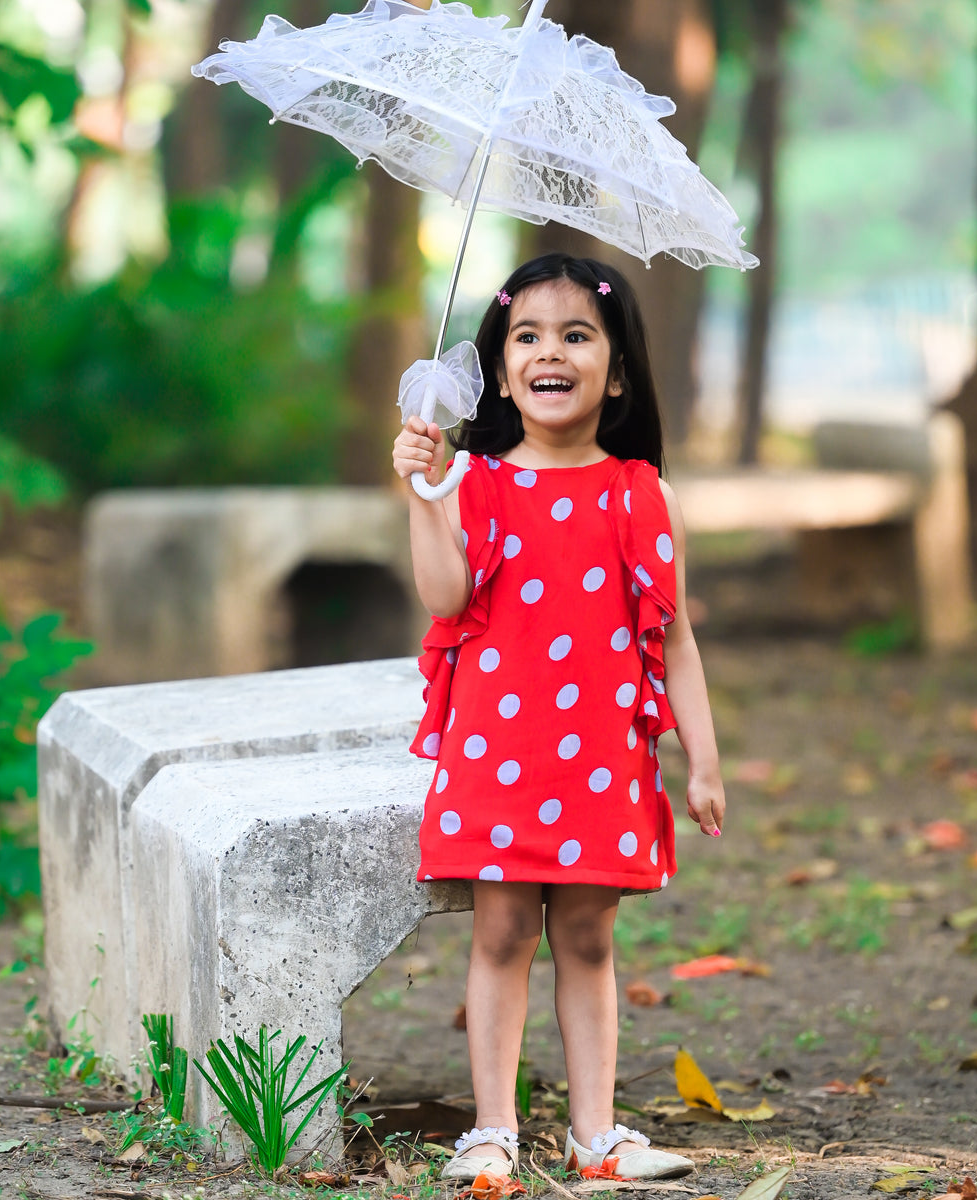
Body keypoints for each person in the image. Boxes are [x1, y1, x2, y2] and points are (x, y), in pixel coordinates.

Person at [391, 252, 725, 1183]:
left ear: (615, 371)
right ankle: (491, 1129)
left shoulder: (642, 494)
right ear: (500, 369)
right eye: (528, 336)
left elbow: (677, 642)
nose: (551, 351)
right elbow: (447, 596)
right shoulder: (477, 485)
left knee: (588, 941)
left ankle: (595, 1135)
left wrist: (702, 758)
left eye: (577, 335)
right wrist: (421, 498)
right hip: (499, 760)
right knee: (501, 936)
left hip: (601, 767)